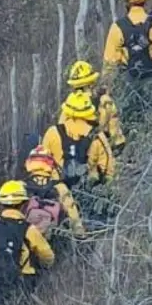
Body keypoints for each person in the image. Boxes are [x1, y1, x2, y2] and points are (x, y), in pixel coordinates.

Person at [0, 180, 55, 305]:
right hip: (21, 281)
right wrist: (42, 267)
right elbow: (48, 256)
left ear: (1, 203)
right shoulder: (29, 229)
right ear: (23, 204)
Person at [41, 91, 118, 222]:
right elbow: (108, 168)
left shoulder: (52, 132)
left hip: (56, 191)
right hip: (88, 192)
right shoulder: (97, 137)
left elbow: (42, 162)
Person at [22, 144, 86, 240]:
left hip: (25, 237)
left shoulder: (21, 186)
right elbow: (71, 208)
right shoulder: (59, 187)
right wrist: (78, 229)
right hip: (53, 237)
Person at [62, 60, 126, 151]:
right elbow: (112, 123)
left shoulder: (68, 103)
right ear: (91, 82)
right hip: (96, 146)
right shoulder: (103, 101)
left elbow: (60, 127)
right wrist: (118, 142)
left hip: (72, 148)